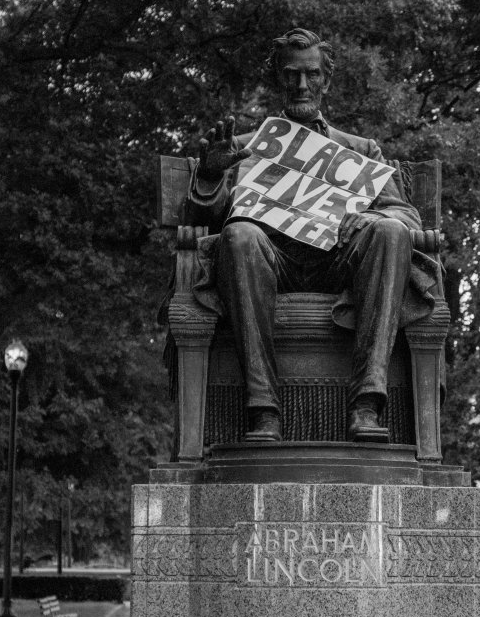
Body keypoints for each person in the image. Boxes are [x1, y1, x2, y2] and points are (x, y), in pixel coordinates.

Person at [187, 26, 439, 442]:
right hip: (269, 262)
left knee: (390, 231)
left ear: (327, 80)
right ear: (279, 79)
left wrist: (370, 219)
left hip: (340, 264)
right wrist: (212, 175)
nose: (302, 85)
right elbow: (205, 219)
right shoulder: (243, 148)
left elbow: (406, 216)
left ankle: (367, 405)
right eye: (292, 74)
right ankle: (263, 409)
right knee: (239, 235)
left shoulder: (361, 150)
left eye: (312, 74)